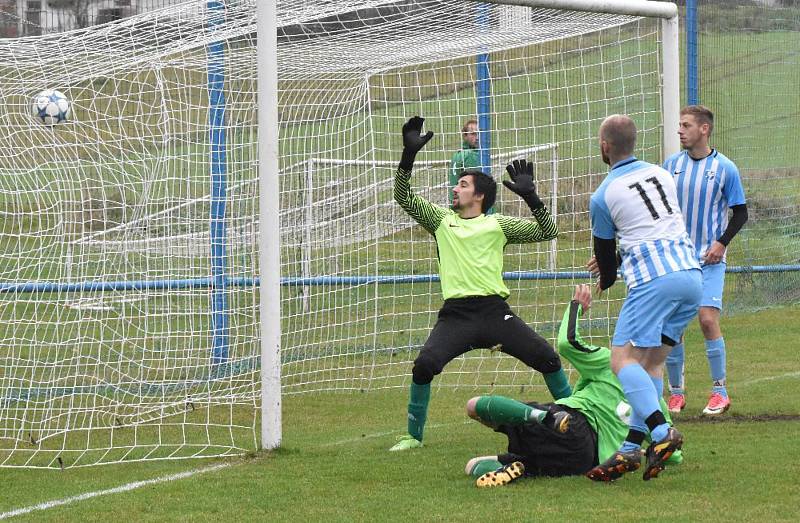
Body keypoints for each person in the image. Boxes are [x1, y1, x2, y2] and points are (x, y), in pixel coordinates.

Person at [389, 116, 571, 452]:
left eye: (462, 185)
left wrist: (532, 198)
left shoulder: (497, 224)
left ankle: (579, 418)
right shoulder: (441, 220)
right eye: (456, 184)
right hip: (456, 316)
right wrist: (408, 155)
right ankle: (413, 437)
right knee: (424, 365)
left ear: (480, 197)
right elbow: (403, 196)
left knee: (548, 358)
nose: (455, 189)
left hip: (493, 312)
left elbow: (548, 232)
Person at [464, 284, 682, 487]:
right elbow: (673, 456)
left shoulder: (612, 363)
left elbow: (567, 343)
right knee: (473, 465)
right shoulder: (657, 405)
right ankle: (524, 467)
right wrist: (644, 450)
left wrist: (576, 307)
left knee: (474, 406)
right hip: (588, 461)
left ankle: (545, 418)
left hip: (577, 424)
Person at [586, 114, 701, 481]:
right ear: (634, 143)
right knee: (651, 364)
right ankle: (631, 448)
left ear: (605, 146)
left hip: (653, 281)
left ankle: (661, 432)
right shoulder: (662, 174)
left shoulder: (603, 195)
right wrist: (619, 258)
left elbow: (605, 261)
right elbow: (654, 226)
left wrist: (607, 272)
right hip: (690, 275)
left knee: (622, 360)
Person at [662, 105, 748, 416]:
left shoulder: (725, 168)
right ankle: (676, 394)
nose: (680, 130)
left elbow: (741, 212)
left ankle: (720, 392)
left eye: (686, 125)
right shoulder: (671, 166)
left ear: (704, 129)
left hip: (709, 260)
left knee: (707, 319)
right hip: (677, 260)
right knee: (672, 325)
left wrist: (721, 244)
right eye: (680, 125)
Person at [448, 119, 480, 206]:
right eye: (473, 134)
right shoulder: (471, 155)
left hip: (454, 205)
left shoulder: (457, 154)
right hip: (468, 208)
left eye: (479, 133)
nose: (477, 137)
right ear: (465, 136)